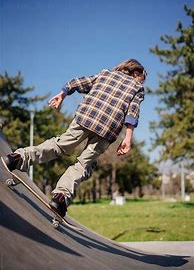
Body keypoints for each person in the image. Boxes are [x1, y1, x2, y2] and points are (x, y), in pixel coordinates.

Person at [2, 59, 147, 218]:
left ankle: (18, 158)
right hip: (107, 130)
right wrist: (127, 138)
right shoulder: (137, 87)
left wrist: (62, 94)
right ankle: (60, 197)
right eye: (142, 79)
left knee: (60, 145)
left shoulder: (105, 74)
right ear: (136, 73)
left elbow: (78, 82)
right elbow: (132, 112)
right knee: (84, 164)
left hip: (85, 117)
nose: (142, 82)